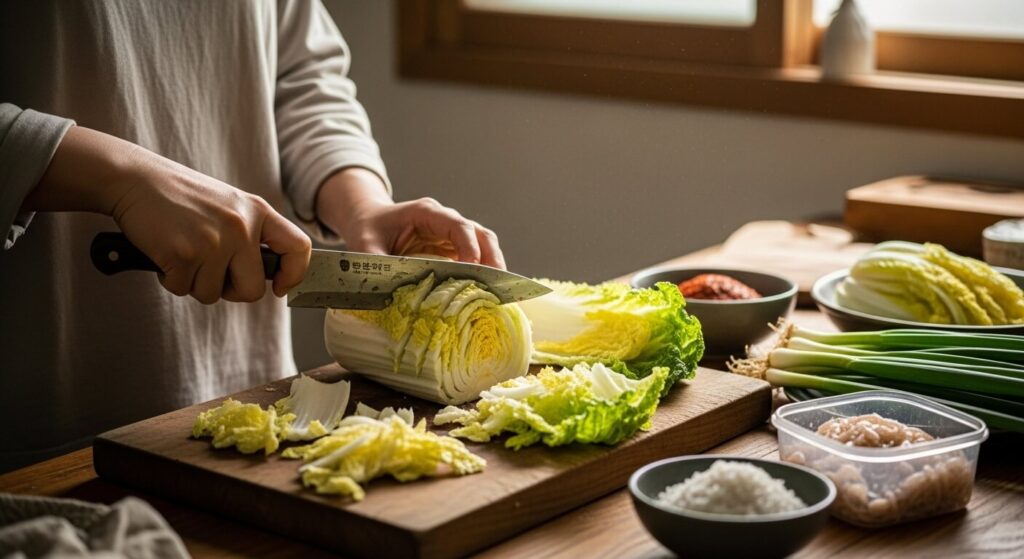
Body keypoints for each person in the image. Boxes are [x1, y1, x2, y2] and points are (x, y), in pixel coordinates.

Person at [0, 1, 503, 472]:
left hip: (255, 410)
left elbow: (302, 79)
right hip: (50, 441)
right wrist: (121, 179)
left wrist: (362, 204)